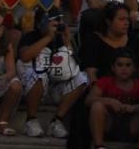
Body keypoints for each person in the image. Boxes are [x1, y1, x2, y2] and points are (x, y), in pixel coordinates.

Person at [17, 8, 88, 139]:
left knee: (82, 78)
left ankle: (57, 121)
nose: (58, 25)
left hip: (55, 85)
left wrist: (67, 42)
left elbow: (74, 67)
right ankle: (31, 120)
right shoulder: (31, 36)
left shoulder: (61, 38)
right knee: (40, 74)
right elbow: (25, 56)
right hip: (33, 85)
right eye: (53, 23)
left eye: (59, 22)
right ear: (41, 24)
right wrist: (48, 37)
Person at [84, 47, 139, 149]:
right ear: (113, 67)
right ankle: (99, 148)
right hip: (109, 123)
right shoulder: (105, 81)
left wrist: (134, 108)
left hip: (131, 125)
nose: (124, 69)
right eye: (120, 65)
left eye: (128, 65)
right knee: (97, 106)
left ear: (134, 68)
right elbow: (88, 100)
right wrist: (109, 101)